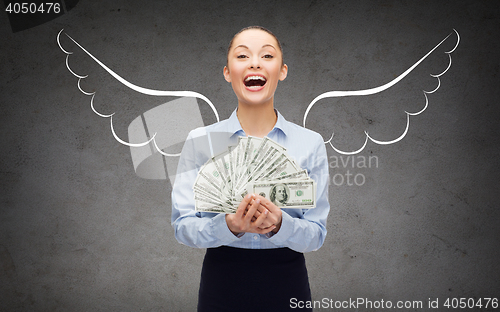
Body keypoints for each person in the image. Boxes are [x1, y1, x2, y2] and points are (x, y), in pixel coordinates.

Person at [171, 26, 330, 311]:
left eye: (266, 55)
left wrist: (282, 225)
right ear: (227, 72)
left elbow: (316, 234)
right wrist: (229, 226)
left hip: (288, 279)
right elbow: (182, 227)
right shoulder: (200, 141)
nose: (255, 63)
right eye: (243, 55)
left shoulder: (311, 143)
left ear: (281, 71)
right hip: (222, 278)